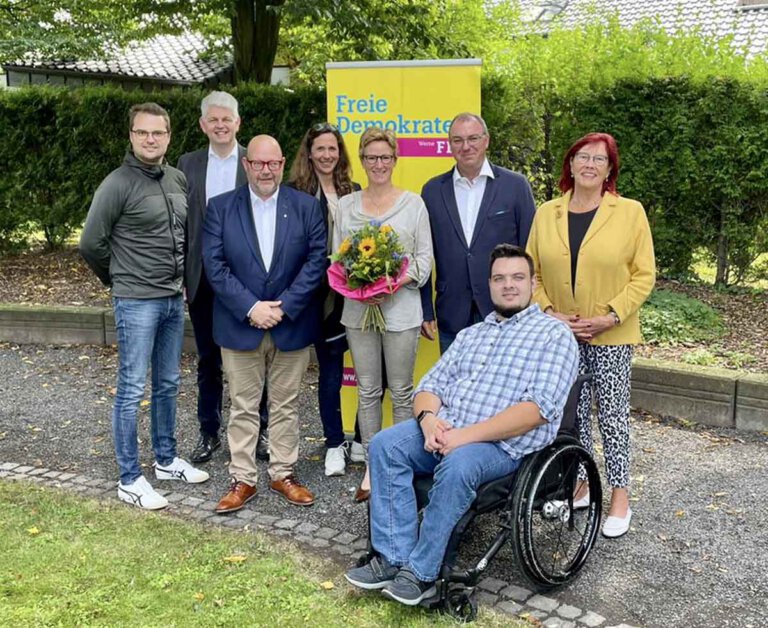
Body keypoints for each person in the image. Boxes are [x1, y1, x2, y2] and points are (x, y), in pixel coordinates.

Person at [345, 244, 579, 605]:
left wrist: (463, 438)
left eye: (518, 277)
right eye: (500, 278)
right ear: (490, 285)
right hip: (446, 431)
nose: (509, 285)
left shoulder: (553, 335)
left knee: (458, 464)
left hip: (500, 446)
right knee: (385, 445)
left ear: (533, 283)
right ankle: (393, 559)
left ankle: (421, 573)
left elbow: (537, 410)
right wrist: (428, 422)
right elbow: (429, 387)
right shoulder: (472, 334)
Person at [80, 102, 209, 510]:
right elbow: (90, 244)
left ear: (169, 136)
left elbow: (185, 237)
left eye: (157, 133)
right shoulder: (117, 183)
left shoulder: (176, 178)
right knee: (132, 387)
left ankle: (166, 460)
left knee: (168, 383)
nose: (150, 139)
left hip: (172, 299)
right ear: (132, 136)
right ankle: (130, 478)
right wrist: (119, 280)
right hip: (136, 301)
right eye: (142, 133)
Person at [526, 132, 655, 539]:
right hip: (562, 334)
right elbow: (533, 272)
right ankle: (581, 483)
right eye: (582, 157)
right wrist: (550, 313)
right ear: (570, 164)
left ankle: (619, 495)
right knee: (573, 415)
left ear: (609, 169)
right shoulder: (548, 212)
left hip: (611, 333)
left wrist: (610, 315)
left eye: (599, 160)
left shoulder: (630, 212)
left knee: (613, 415)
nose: (589, 165)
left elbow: (644, 274)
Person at [203, 134, 326, 513]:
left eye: (273, 163)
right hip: (241, 324)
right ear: (246, 165)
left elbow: (316, 261)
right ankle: (243, 479)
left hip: (291, 324)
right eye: (258, 163)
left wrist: (284, 306)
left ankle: (282, 472)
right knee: (243, 404)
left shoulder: (306, 207)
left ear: (283, 163)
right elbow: (215, 265)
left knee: (286, 403)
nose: (266, 170)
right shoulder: (221, 207)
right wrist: (251, 307)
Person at [333, 126, 433, 502]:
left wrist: (393, 280)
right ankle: (374, 469)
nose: (379, 164)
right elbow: (337, 260)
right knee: (368, 390)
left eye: (385, 157)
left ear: (395, 160)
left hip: (401, 311)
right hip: (359, 313)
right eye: (371, 157)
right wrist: (360, 285)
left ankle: (402, 466)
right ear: (362, 160)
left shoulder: (414, 205)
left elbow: (425, 260)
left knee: (403, 392)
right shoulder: (345, 206)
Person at [177, 91, 269, 465]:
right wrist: (183, 275)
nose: (219, 125)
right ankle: (208, 431)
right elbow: (183, 225)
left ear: (237, 123)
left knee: (252, 357)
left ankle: (259, 433)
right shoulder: (187, 164)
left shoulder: (253, 161)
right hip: (201, 279)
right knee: (207, 360)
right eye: (212, 119)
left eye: (226, 119)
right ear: (203, 125)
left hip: (243, 282)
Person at [420, 112, 537, 353]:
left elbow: (531, 250)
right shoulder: (432, 191)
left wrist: (531, 303)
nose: (466, 146)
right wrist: (425, 308)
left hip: (506, 311)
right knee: (454, 388)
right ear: (450, 144)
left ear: (486, 140)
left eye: (473, 138)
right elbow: (423, 252)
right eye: (458, 140)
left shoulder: (516, 186)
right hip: (452, 312)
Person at [287, 122, 366, 477]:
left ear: (340, 152)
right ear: (309, 152)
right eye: (320, 148)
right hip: (319, 300)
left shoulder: (357, 190)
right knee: (331, 370)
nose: (327, 155)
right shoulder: (296, 192)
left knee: (368, 369)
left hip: (357, 296)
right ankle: (334, 442)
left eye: (333, 148)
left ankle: (363, 439)